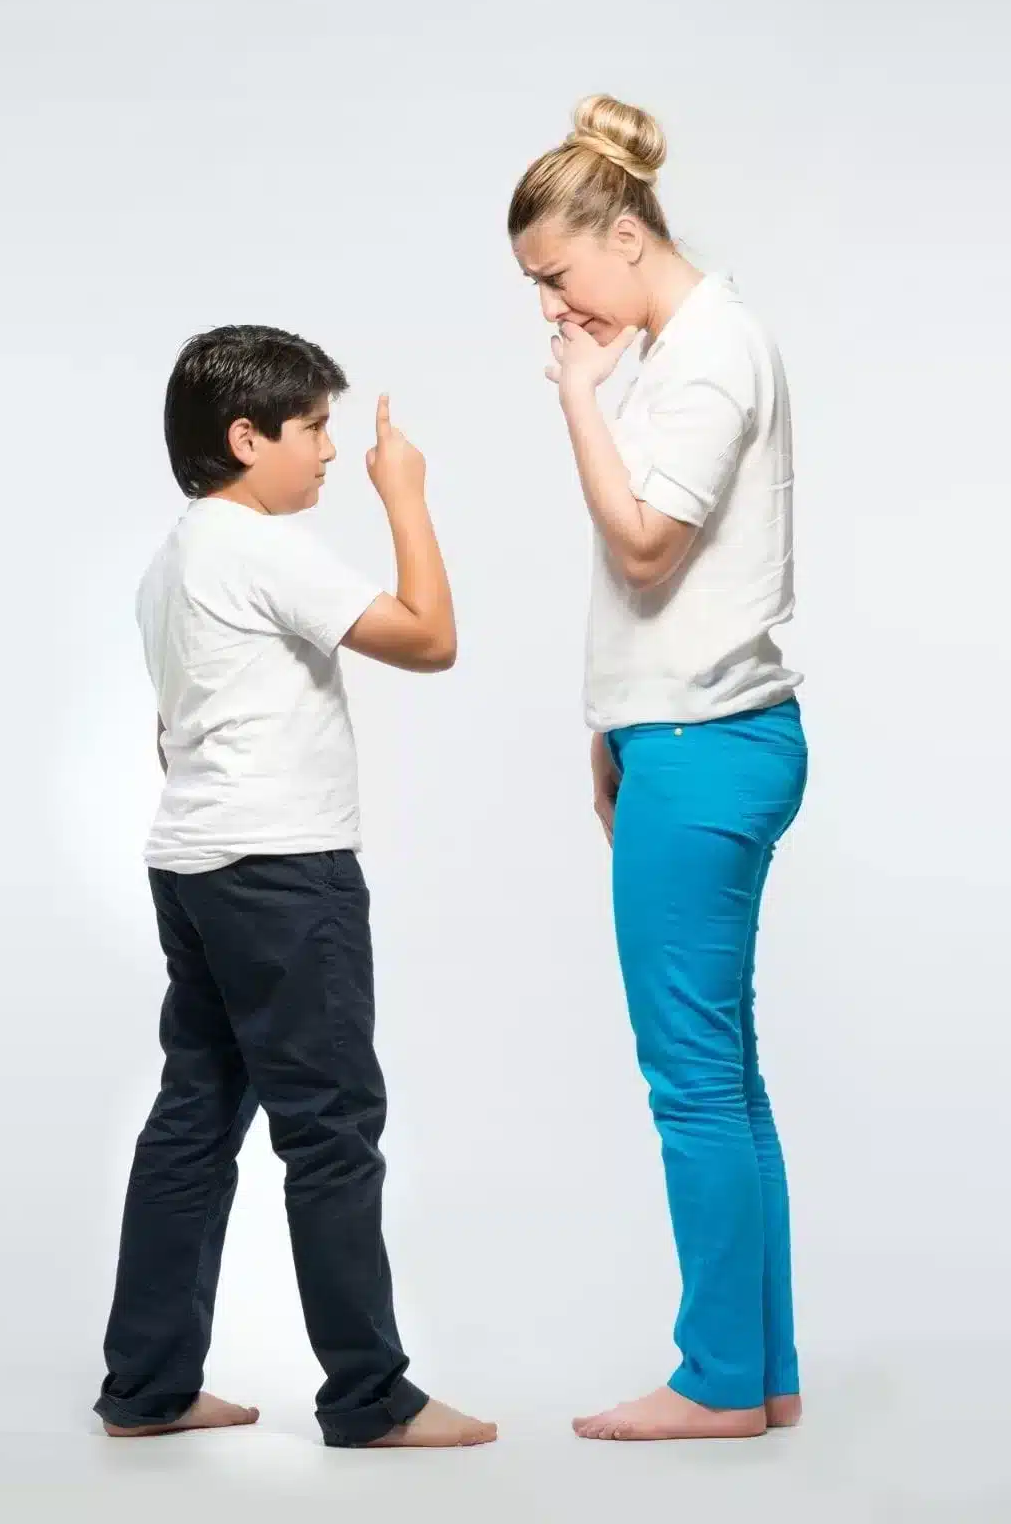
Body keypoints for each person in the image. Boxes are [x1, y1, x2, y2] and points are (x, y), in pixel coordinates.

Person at [93, 325, 496, 1450]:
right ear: (245, 437)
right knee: (331, 1128)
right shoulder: (260, 546)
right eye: (313, 427)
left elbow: (171, 733)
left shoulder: (173, 560)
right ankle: (369, 1399)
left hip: (195, 862)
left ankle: (148, 1388)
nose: (328, 450)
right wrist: (406, 495)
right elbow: (429, 638)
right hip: (279, 870)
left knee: (195, 1116)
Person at [509, 97, 807, 1441]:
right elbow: (667, 590)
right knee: (724, 1073)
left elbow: (644, 547)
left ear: (624, 236)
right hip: (686, 736)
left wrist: (578, 395)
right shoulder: (688, 350)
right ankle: (763, 1371)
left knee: (692, 1078)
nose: (554, 308)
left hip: (705, 746)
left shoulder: (708, 357)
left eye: (557, 275)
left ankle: (718, 1383)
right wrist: (613, 721)